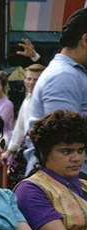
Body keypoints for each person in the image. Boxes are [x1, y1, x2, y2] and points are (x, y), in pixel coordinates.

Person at [15, 110, 87, 230]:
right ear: (43, 152)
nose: (76, 158)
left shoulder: (83, 183)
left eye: (80, 150)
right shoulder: (31, 189)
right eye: (66, 151)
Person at [25, 9, 87, 171]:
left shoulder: (71, 74)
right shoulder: (64, 77)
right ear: (85, 40)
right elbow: (63, 141)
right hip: (67, 184)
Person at [3, 63, 45, 182]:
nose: (31, 82)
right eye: (28, 79)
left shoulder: (43, 100)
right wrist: (9, 151)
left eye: (36, 80)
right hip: (27, 146)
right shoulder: (27, 98)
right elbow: (20, 127)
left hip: (40, 149)